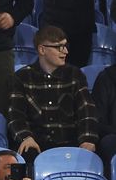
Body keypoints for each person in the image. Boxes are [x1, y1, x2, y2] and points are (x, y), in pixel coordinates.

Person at [6, 26, 99, 165]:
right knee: (26, 152)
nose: (65, 51)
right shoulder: (22, 77)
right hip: (36, 144)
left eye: (65, 46)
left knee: (91, 153)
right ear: (42, 50)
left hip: (70, 142)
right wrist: (26, 137)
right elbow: (15, 115)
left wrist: (87, 139)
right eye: (59, 47)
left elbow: (86, 110)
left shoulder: (75, 75)